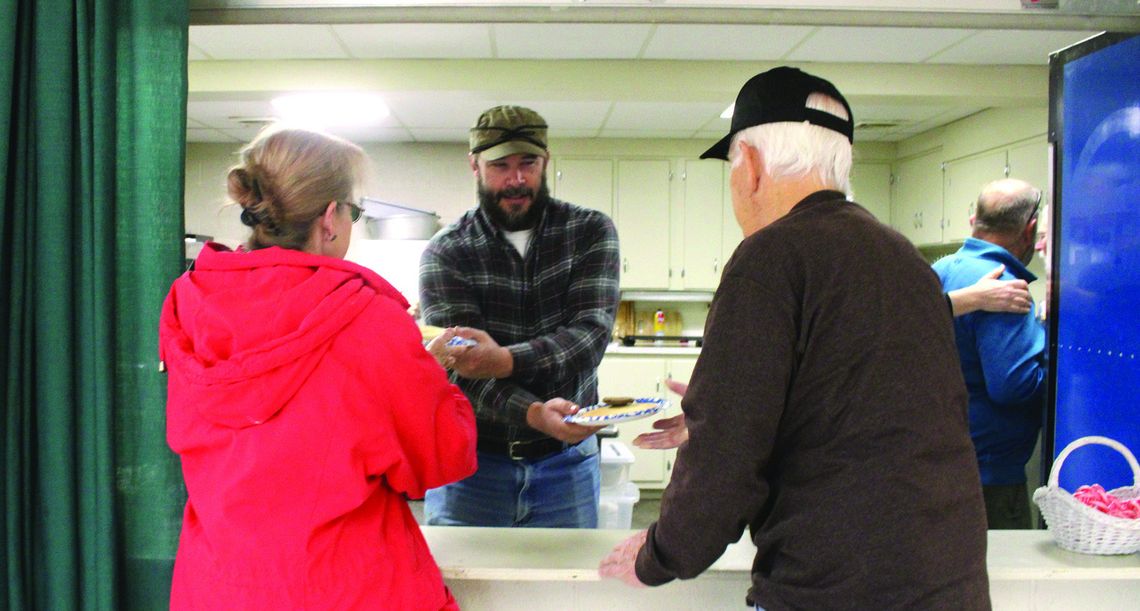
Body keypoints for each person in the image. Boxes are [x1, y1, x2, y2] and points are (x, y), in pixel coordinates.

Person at [599, 66, 990, 609]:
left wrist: (660, 556)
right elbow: (870, 412)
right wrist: (732, 408)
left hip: (834, 588)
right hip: (949, 581)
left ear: (751, 167)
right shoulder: (904, 258)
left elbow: (726, 460)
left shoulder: (769, 259)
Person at [160, 126, 477, 609]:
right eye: (355, 210)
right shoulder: (366, 319)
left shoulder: (189, 303)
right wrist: (428, 375)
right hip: (342, 588)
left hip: (221, 588)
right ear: (330, 218)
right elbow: (441, 456)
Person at [418, 105, 620, 528]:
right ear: (475, 166)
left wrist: (504, 360)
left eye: (528, 163)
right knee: (465, 591)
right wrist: (533, 412)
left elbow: (590, 335)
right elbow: (456, 369)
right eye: (500, 166)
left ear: (545, 161)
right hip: (470, 468)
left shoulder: (590, 232)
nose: (516, 179)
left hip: (566, 465)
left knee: (567, 592)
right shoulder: (447, 251)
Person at [933, 178, 1047, 529]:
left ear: (974, 221)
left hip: (940, 463)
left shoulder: (941, 270)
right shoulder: (1004, 287)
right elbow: (1013, 385)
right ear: (1030, 229)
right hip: (990, 480)